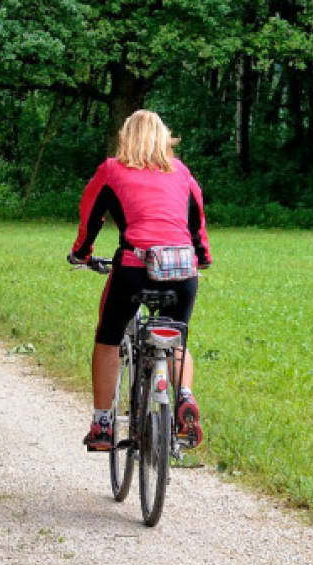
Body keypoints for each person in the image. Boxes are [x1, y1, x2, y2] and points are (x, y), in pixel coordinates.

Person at [68, 109, 211, 452]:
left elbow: (91, 217)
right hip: (182, 270)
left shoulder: (111, 170)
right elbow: (197, 224)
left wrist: (82, 253)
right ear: (165, 139)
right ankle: (185, 397)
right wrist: (201, 257)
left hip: (134, 267)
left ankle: (103, 425)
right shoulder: (182, 173)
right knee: (175, 336)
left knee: (108, 337)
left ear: (125, 138)